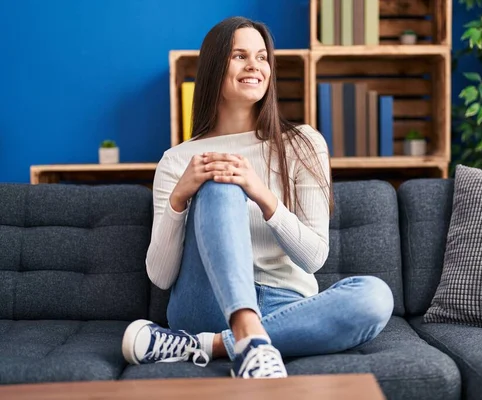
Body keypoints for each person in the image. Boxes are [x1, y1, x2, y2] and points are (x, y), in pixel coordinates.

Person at [121, 16, 394, 379]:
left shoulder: (302, 144)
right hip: (207, 302)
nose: (255, 66)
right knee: (219, 181)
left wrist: (263, 195)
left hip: (287, 306)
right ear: (215, 67)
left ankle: (207, 345)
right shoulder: (177, 161)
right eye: (239, 56)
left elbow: (313, 258)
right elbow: (161, 275)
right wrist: (180, 198)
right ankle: (246, 333)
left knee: (374, 297)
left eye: (262, 57)